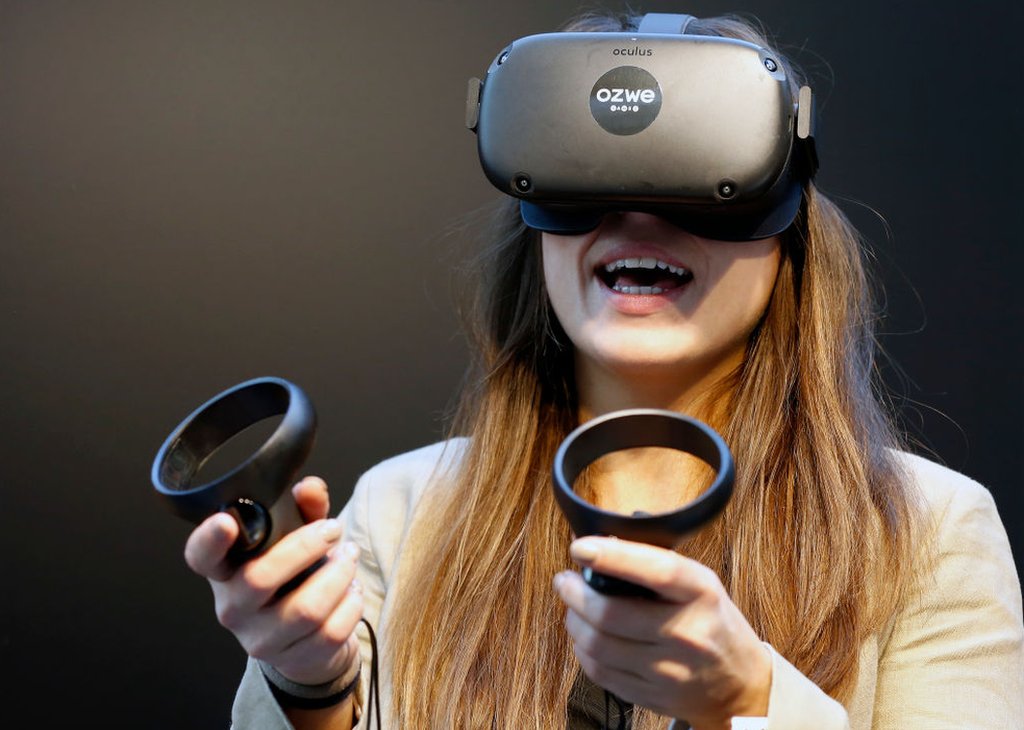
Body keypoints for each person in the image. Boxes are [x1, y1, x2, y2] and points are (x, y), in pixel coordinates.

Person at [182, 8, 1024, 730]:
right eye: (586, 185)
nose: (636, 221)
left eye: (699, 187)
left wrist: (747, 698)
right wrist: (306, 679)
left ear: (784, 230)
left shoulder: (925, 535)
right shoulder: (406, 514)